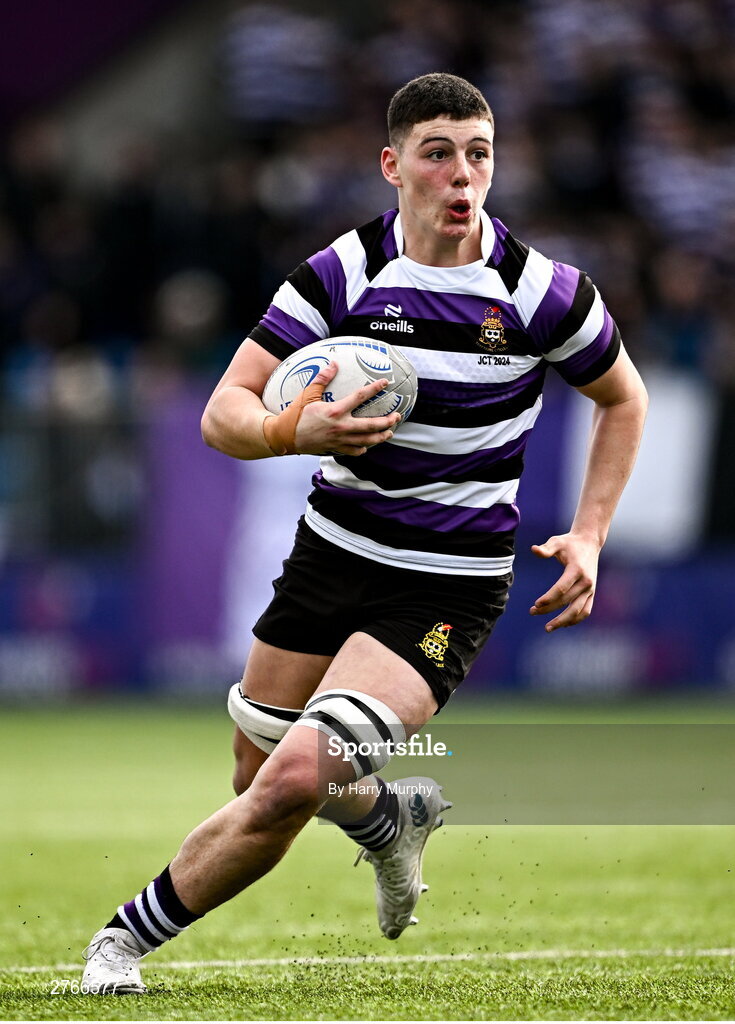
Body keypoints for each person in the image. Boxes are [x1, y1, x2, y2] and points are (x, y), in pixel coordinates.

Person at [81, 72, 647, 994]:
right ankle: (388, 819)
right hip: (329, 557)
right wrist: (283, 431)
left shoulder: (543, 293)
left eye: (479, 156)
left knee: (293, 782)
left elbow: (623, 398)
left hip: (445, 586)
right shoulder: (339, 275)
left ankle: (118, 942)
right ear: (392, 166)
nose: (461, 177)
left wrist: (588, 533)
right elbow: (222, 410)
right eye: (437, 155)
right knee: (252, 781)